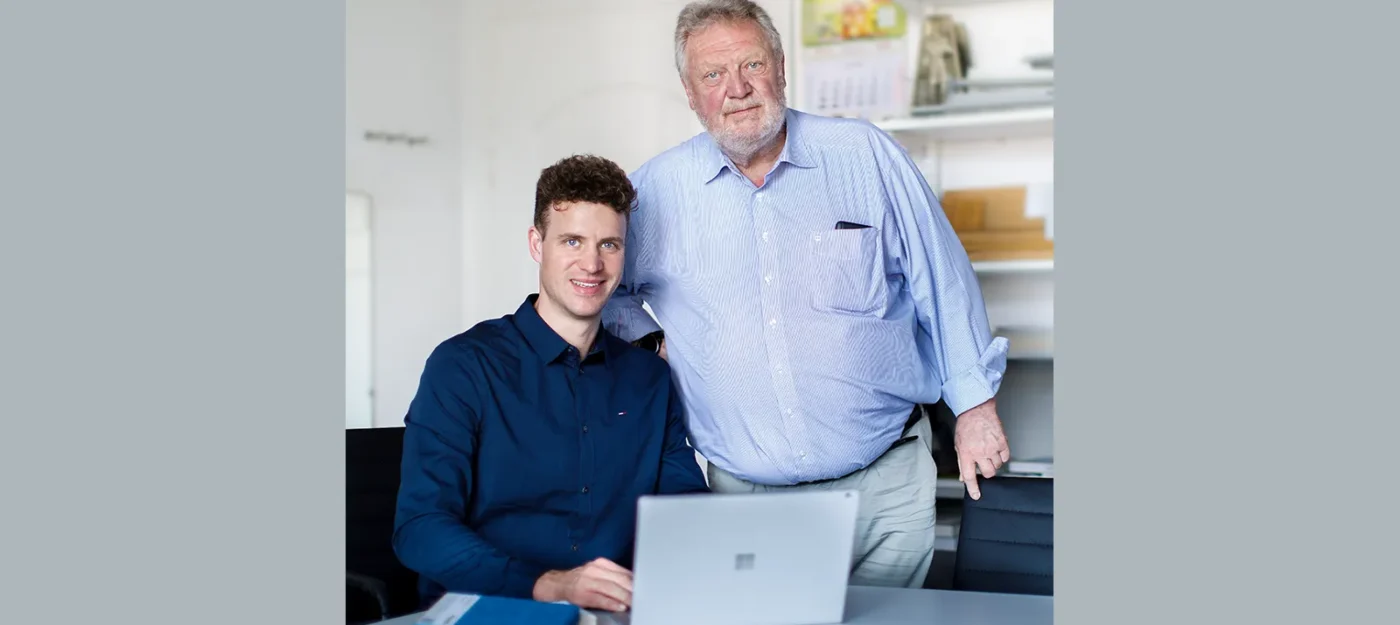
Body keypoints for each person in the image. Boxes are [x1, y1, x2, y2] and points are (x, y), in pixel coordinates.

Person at [600, 0, 1014, 589]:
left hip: (885, 484)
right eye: (713, 75)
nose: (737, 88)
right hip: (747, 501)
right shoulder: (653, 192)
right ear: (690, 93)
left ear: (780, 67)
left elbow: (942, 278)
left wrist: (974, 408)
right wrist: (652, 342)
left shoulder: (864, 155)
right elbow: (603, 287)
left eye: (752, 64)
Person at [393, 154, 709, 613]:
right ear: (536, 244)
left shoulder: (649, 378)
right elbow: (420, 527)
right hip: (491, 607)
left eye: (609, 244)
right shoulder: (463, 366)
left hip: (613, 612)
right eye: (572, 241)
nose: (592, 264)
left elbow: (685, 508)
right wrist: (552, 585)